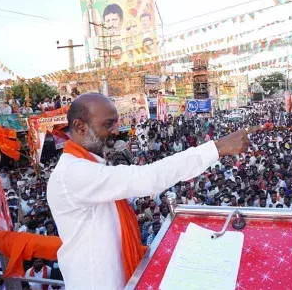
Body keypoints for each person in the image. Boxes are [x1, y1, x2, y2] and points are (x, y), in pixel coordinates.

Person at [47, 92, 251, 289]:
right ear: (80, 126)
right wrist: (216, 148)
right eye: (108, 124)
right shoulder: (73, 173)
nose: (116, 131)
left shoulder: (87, 167)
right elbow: (148, 178)